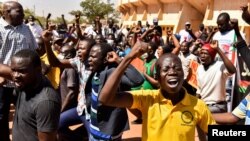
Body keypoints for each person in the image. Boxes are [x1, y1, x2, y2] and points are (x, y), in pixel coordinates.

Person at [98, 40, 216, 141]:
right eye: (166, 69)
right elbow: (106, 99)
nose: (172, 72)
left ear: (183, 74)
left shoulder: (198, 105)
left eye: (177, 68)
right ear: (157, 77)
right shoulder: (147, 98)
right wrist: (128, 58)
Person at [86, 43, 144, 141]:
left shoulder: (113, 73)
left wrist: (119, 60)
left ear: (105, 59)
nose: (89, 59)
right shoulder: (95, 72)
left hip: (108, 134)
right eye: (89, 56)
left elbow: (138, 80)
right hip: (94, 130)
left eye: (93, 56)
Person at [0, 49, 61, 141]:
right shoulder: (26, 80)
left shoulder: (45, 102)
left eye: (21, 71)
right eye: (13, 70)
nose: (15, 76)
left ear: (38, 70)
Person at [0, 1, 38, 141]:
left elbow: (33, 51)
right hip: (3, 82)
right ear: (6, 12)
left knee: (26, 115)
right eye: (19, 11)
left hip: (25, 83)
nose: (23, 14)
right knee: (2, 117)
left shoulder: (26, 29)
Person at [196, 41, 236, 113]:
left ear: (212, 56)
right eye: (201, 53)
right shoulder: (199, 68)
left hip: (218, 106)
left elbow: (232, 70)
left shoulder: (220, 66)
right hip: (203, 105)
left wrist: (218, 49)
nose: (202, 55)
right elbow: (199, 90)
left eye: (205, 53)